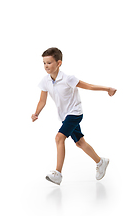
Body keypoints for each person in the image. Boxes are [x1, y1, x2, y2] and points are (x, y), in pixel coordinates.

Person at [31, 47, 117, 185]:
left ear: (59, 63)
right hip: (65, 116)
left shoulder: (68, 79)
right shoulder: (45, 81)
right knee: (79, 143)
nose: (46, 66)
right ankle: (101, 162)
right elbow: (42, 100)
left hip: (75, 113)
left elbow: (88, 86)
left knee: (59, 138)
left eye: (49, 63)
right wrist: (36, 113)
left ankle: (58, 173)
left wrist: (107, 89)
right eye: (44, 63)